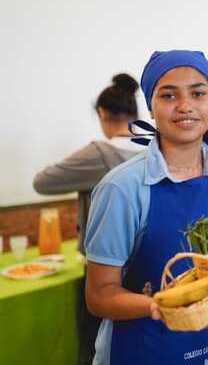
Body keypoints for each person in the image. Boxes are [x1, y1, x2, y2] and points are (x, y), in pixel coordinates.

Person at [84, 50, 208, 365]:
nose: (185, 105)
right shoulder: (123, 187)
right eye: (169, 94)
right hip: (140, 352)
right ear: (151, 107)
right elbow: (99, 294)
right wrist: (157, 306)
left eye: (197, 93)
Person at [33, 73, 144, 365]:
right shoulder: (156, 149)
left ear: (103, 113)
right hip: (148, 263)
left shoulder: (99, 153)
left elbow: (42, 182)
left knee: (96, 345)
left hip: (104, 267)